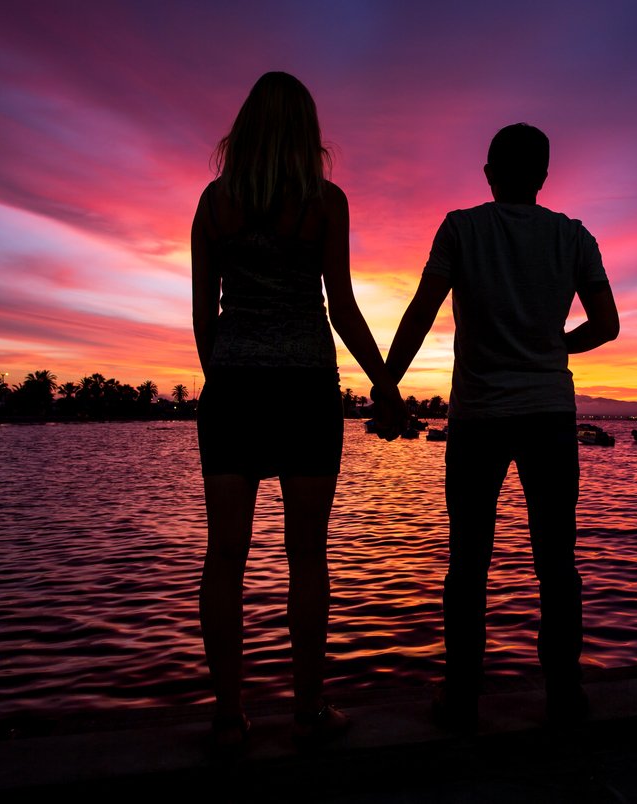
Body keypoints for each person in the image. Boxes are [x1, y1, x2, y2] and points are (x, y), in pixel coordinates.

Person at [191, 71, 405, 748]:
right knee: (307, 555)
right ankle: (309, 709)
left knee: (225, 555)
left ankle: (229, 714)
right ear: (306, 132)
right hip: (307, 388)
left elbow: (204, 314)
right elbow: (339, 306)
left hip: (233, 389)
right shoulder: (324, 203)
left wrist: (224, 373)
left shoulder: (215, 203)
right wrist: (386, 383)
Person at [382, 123, 619, 728]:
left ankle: (461, 696)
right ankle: (564, 693)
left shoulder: (462, 228)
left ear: (490, 173)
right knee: (555, 560)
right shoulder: (574, 236)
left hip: (479, 416)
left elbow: (421, 309)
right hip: (548, 413)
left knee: (468, 561)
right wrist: (552, 346)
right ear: (543, 175)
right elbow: (607, 324)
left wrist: (386, 385)